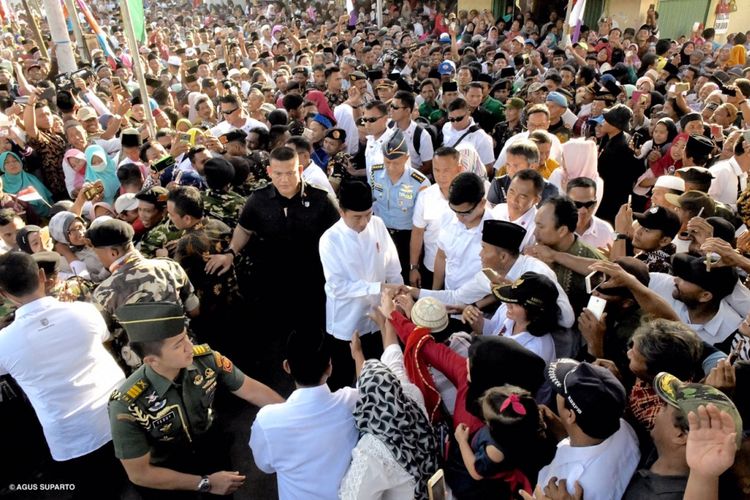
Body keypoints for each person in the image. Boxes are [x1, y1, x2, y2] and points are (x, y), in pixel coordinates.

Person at [109, 301, 282, 499]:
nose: (189, 347)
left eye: (186, 337)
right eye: (178, 345)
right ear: (151, 360)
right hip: (167, 477)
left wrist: (298, 415)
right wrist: (206, 483)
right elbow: (140, 474)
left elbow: (252, 390)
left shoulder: (206, 360)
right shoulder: (126, 404)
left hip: (211, 451)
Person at [0, 252, 126, 499]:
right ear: (41, 276)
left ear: (3, 294)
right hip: (121, 415)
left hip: (73, 438)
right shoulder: (85, 311)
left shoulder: (3, 343)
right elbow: (104, 337)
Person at [204, 146, 339, 336]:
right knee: (277, 331)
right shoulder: (258, 200)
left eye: (290, 173)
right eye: (278, 173)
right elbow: (244, 228)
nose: (284, 179)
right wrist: (231, 252)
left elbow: (340, 235)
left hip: (312, 279)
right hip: (272, 280)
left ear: (300, 170)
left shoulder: (321, 199)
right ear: (269, 172)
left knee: (313, 331)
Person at [250, 329, 359, 500]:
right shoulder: (351, 401)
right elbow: (369, 390)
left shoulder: (267, 422)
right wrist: (358, 354)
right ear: (329, 367)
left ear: (287, 366)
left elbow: (265, 466)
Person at [319, 180, 403, 389]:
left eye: (368, 214)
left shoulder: (378, 225)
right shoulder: (330, 240)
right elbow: (338, 286)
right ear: (342, 212)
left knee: (382, 375)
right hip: (347, 322)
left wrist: (399, 293)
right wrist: (377, 288)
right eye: (357, 217)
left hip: (378, 319)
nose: (364, 221)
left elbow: (392, 264)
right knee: (343, 379)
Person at [89, 218, 200, 372]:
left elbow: (107, 340)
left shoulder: (103, 293)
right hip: (189, 352)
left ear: (113, 252)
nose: (96, 256)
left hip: (149, 370)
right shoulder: (169, 266)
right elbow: (194, 309)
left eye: (96, 251)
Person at [623, 371, 743, 499]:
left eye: (664, 406)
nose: (657, 411)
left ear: (681, 435)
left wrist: (703, 475)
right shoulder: (657, 451)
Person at [536, 358, 640, 499]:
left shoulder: (568, 486)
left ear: (570, 415)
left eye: (560, 391)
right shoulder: (623, 427)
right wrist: (562, 429)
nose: (557, 395)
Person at [370, 129, 430, 281]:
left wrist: (413, 266)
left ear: (406, 158)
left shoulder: (420, 183)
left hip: (408, 239)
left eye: (395, 163)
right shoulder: (375, 173)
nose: (390, 167)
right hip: (382, 234)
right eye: (387, 162)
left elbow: (421, 227)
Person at [410, 146, 462, 288]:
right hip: (431, 267)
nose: (440, 175)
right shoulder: (426, 196)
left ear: (459, 169)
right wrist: (414, 267)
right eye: (436, 170)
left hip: (461, 273)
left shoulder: (471, 197)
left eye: (446, 170)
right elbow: (417, 233)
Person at [611, 204, 681, 273]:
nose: (638, 231)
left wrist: (620, 232)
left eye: (647, 230)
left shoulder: (660, 265)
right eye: (641, 225)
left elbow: (615, 276)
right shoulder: (649, 253)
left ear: (664, 241)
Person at [565, 177, 614, 250]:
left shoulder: (606, 230)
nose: (583, 210)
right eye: (577, 204)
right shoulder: (554, 226)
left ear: (595, 203)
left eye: (589, 204)